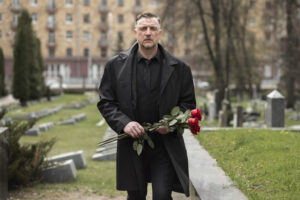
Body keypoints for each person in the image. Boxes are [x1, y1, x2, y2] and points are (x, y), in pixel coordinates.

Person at [97, 12, 196, 200]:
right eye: (143, 28)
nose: (148, 33)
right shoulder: (115, 66)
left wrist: (171, 125)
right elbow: (106, 102)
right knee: (135, 196)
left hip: (165, 147)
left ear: (160, 33)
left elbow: (188, 104)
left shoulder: (180, 68)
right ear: (136, 32)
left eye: (152, 29)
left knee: (161, 195)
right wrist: (124, 123)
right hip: (131, 145)